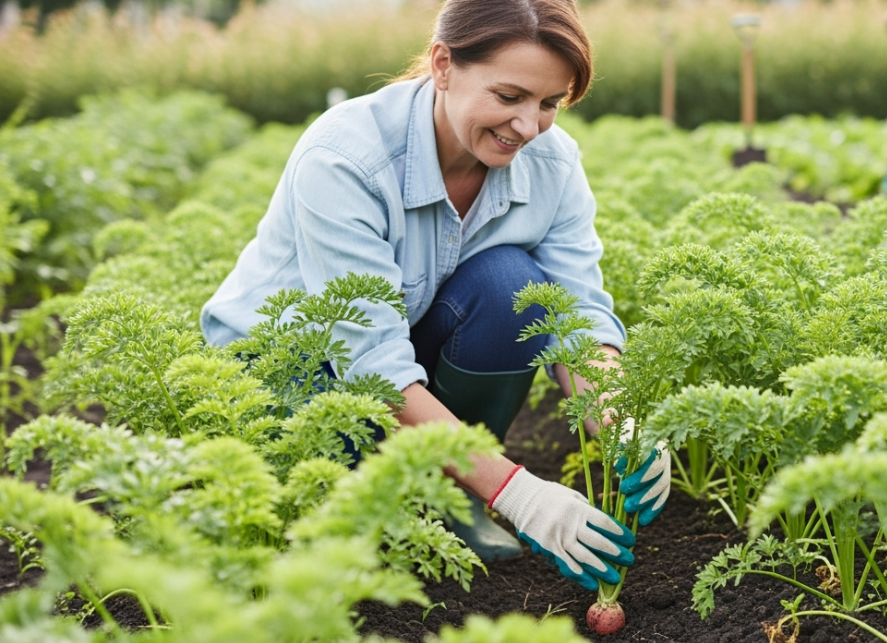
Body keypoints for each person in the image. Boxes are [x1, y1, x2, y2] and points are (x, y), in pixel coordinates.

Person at [200, 0, 670, 591]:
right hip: (293, 378)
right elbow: (371, 365)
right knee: (338, 531)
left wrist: (623, 420)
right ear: (444, 65)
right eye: (509, 97)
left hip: (396, 361)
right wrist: (516, 491)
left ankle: (451, 494)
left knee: (514, 290)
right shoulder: (347, 159)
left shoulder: (551, 163)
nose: (528, 126)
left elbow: (576, 317)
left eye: (549, 103)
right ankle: (433, 487)